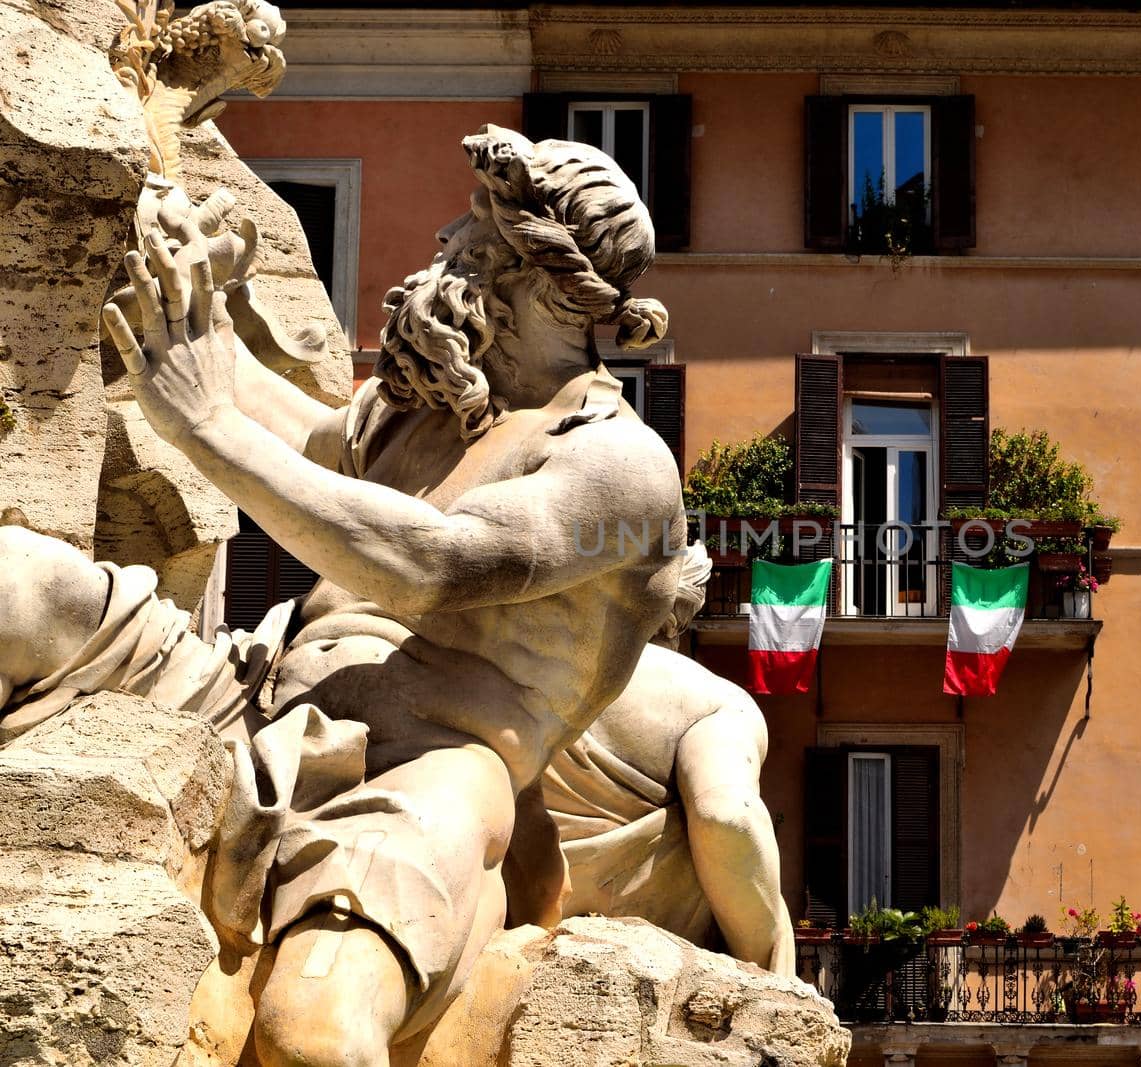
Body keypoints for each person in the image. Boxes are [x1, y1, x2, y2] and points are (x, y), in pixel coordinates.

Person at [1, 126, 685, 1066]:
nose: (443, 238)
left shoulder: (618, 464)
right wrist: (181, 268)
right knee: (16, 584)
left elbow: (433, 563)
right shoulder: (430, 408)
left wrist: (203, 427)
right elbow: (257, 410)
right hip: (251, 694)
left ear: (536, 276)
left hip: (428, 772)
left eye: (473, 232)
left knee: (312, 1032)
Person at [505, 546, 795, 976]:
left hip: (514, 943)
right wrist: (772, 968)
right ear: (677, 618)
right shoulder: (711, 700)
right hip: (658, 970)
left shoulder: (512, 678)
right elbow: (727, 817)